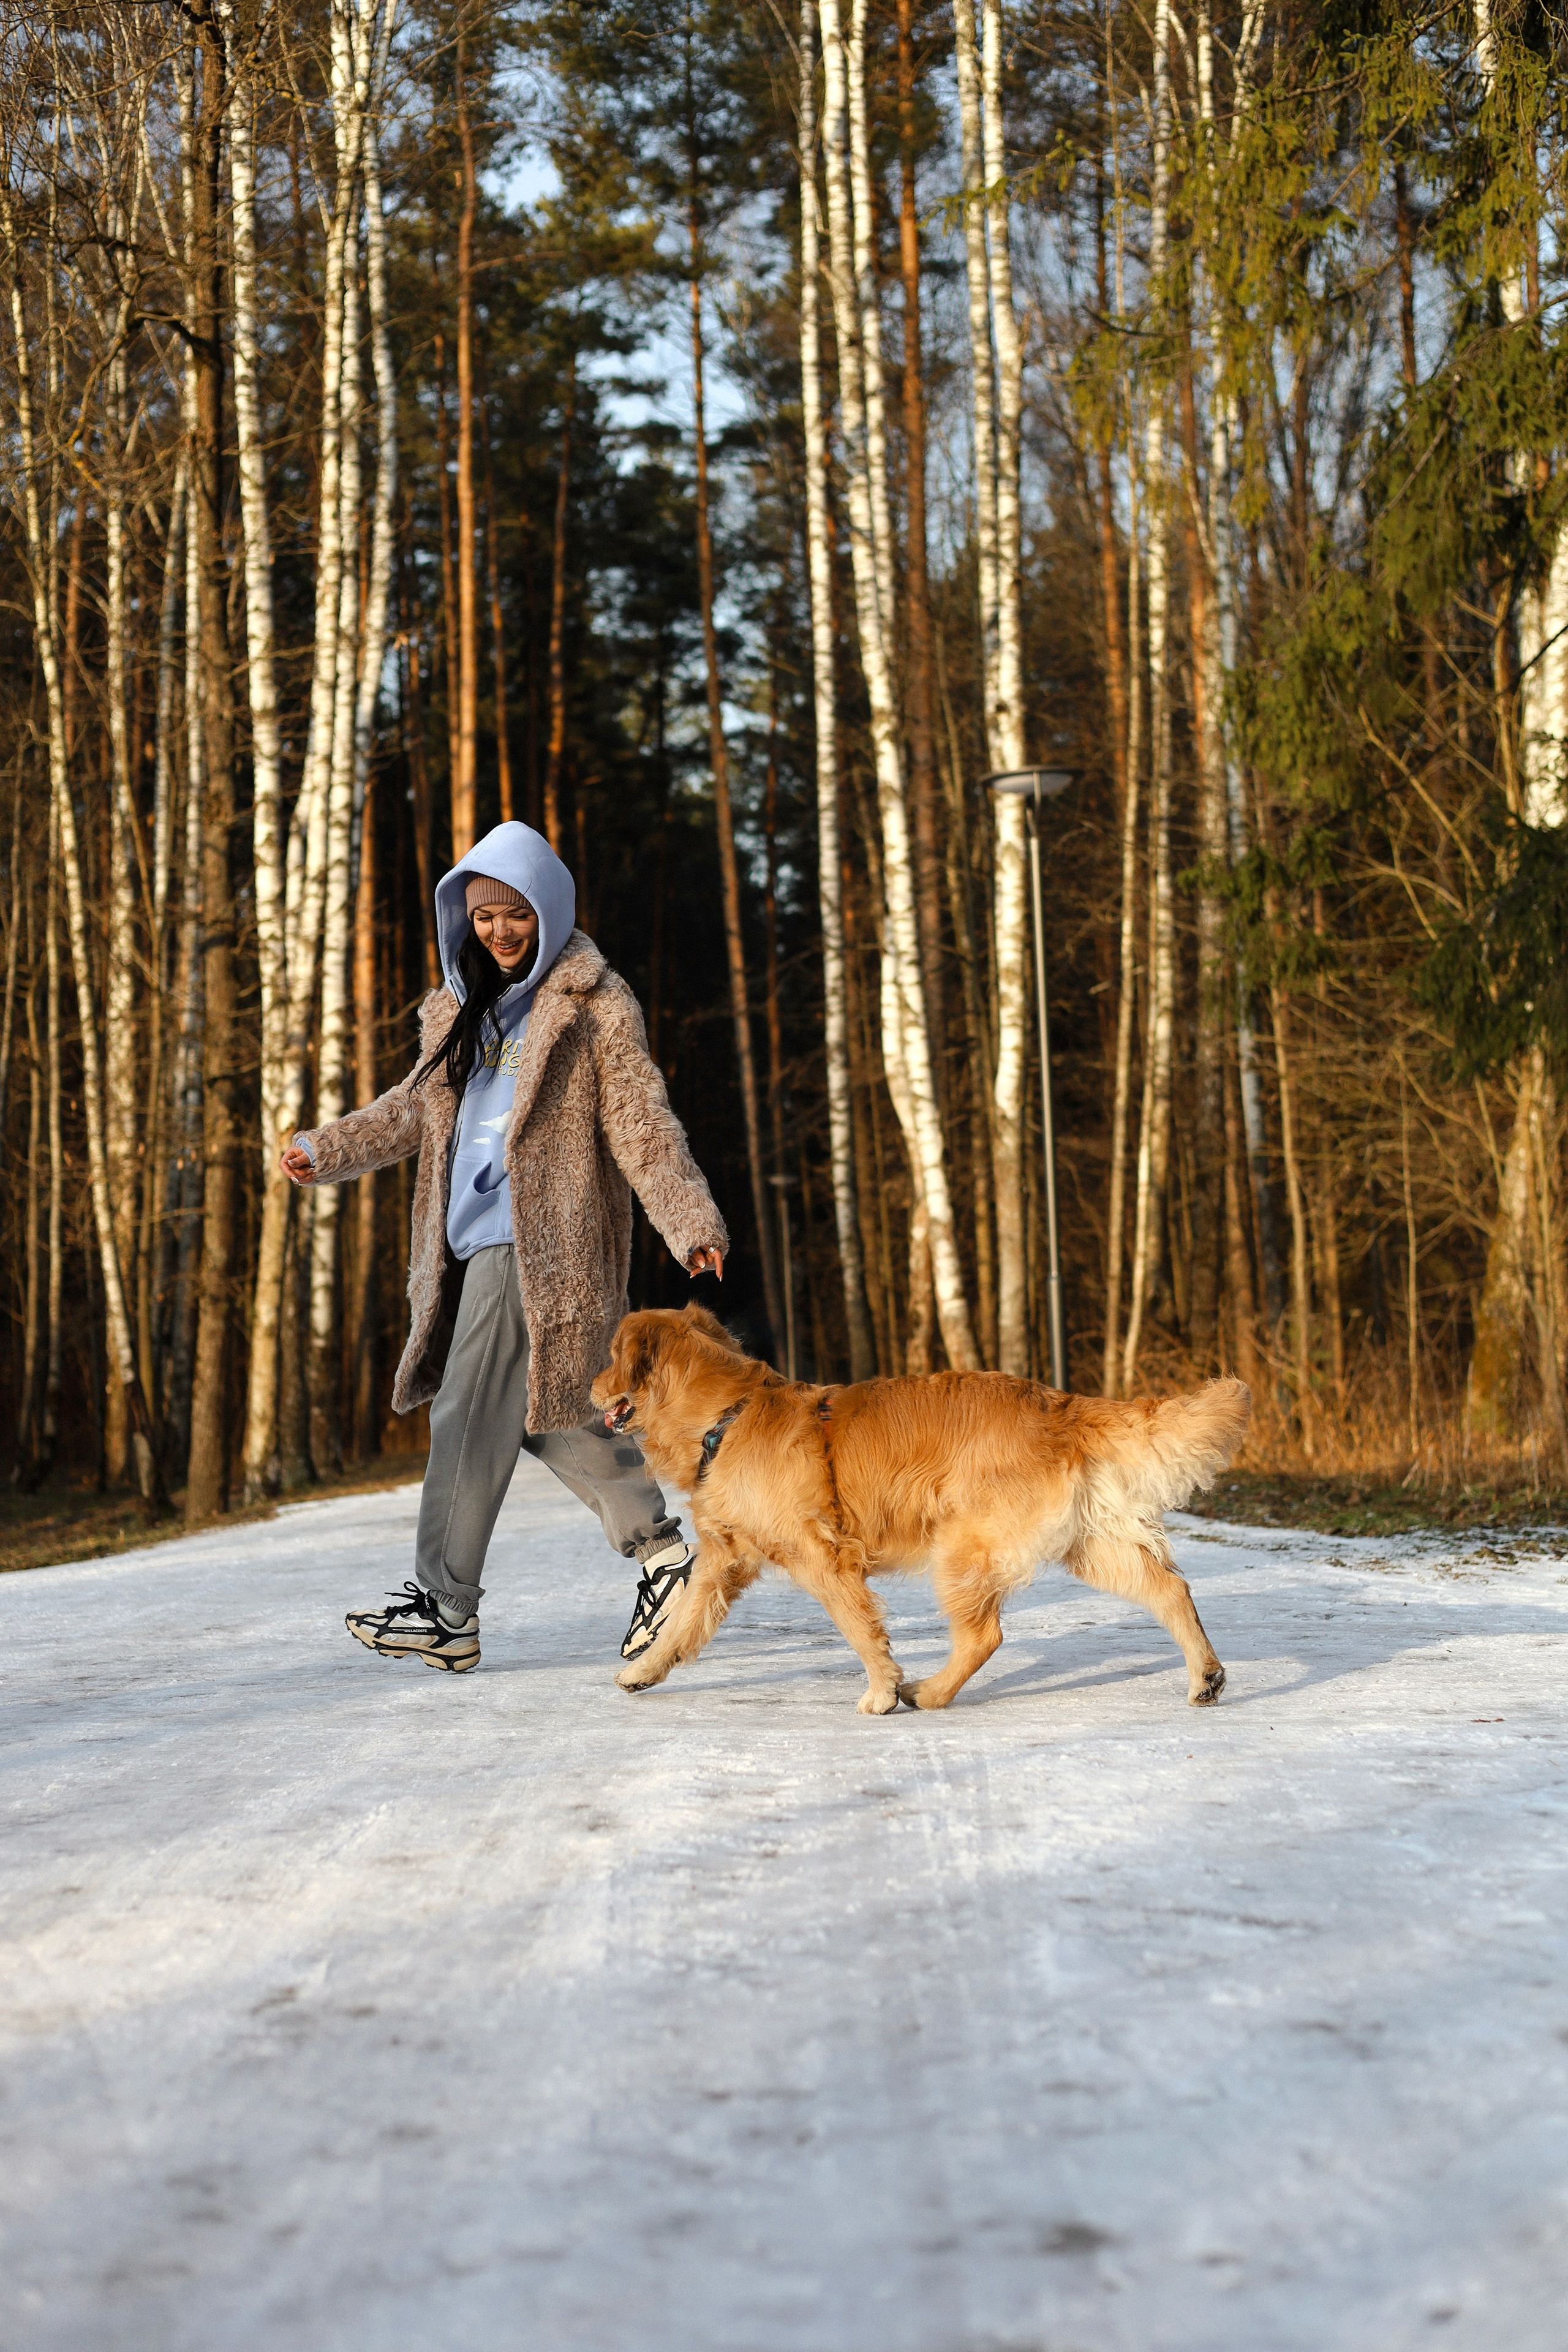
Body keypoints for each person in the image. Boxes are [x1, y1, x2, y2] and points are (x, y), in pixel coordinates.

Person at [281, 821, 728, 1674]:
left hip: (537, 1247)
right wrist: (324, 1148)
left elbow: (641, 1123)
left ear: (549, 913)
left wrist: (690, 1220)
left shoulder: (595, 1005)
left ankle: (445, 1607)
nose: (501, 931)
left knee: (463, 1411)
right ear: (466, 919)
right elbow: (408, 1110)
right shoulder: (459, 1008)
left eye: (517, 914)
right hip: (465, 1246)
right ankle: (665, 1555)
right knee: (550, 1420)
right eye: (485, 916)